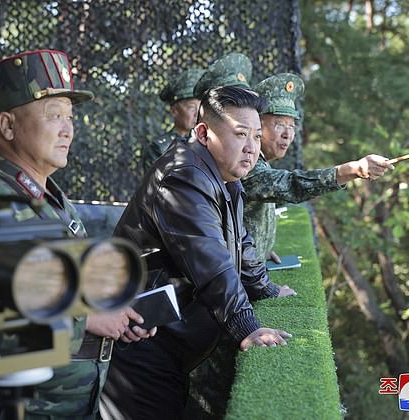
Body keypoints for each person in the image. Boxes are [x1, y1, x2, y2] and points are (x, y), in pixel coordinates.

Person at [0, 49, 154, 419]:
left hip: (72, 402)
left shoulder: (53, 199)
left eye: (69, 117)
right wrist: (89, 320)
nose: (67, 129)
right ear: (8, 126)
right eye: (53, 116)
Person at [102, 86, 293, 419]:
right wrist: (247, 327)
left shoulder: (223, 175)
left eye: (256, 137)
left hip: (166, 349)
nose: (251, 148)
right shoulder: (185, 175)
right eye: (240, 134)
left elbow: (241, 244)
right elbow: (211, 260)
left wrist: (267, 289)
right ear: (203, 133)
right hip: (140, 347)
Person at [242, 73, 394, 262]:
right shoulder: (246, 165)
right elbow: (291, 186)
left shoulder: (260, 163)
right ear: (256, 125)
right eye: (280, 124)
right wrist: (352, 170)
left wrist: (261, 248)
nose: (288, 134)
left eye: (292, 126)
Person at [141, 68, 204, 172]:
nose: (197, 113)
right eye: (191, 107)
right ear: (174, 111)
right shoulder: (160, 148)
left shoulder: (209, 143)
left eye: (201, 107)